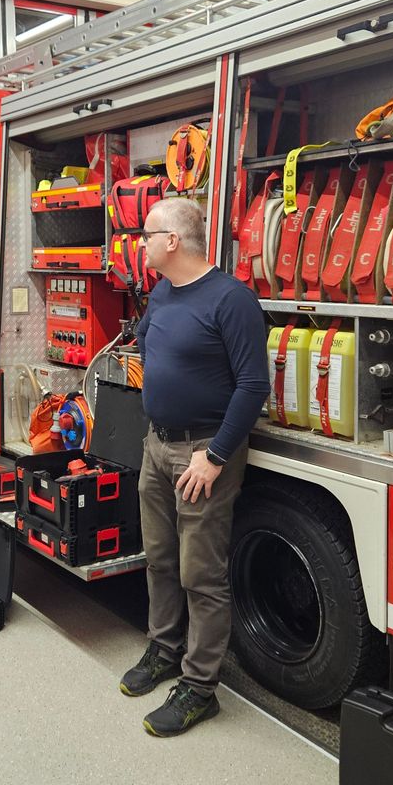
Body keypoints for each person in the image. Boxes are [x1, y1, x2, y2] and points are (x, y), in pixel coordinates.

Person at [119, 198, 269, 737]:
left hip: (202, 454)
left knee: (200, 574)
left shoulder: (232, 300)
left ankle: (200, 687)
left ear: (173, 241)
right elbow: (145, 339)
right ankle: (163, 648)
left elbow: (254, 386)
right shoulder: (163, 291)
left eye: (147, 234)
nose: (141, 242)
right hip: (156, 448)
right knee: (159, 559)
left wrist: (216, 456)